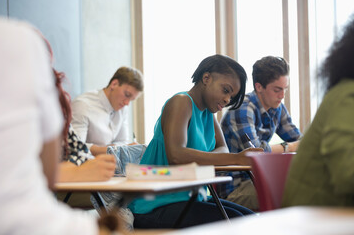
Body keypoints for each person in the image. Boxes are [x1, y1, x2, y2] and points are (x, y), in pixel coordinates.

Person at [0, 17, 122, 235]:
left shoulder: (114, 113)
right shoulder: (20, 43)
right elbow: (48, 172)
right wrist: (76, 171)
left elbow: (74, 147)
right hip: (42, 206)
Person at [128, 54, 262, 229]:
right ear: (206, 78)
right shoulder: (181, 102)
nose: (227, 100)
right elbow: (176, 154)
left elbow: (223, 148)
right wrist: (236, 158)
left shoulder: (209, 115)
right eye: (226, 90)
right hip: (154, 205)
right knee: (236, 224)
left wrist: (203, 158)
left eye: (231, 96)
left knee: (252, 220)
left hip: (188, 199)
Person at [282, 15, 354, 207]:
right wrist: (287, 147)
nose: (281, 95)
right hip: (316, 218)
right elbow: (348, 174)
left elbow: (296, 138)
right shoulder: (347, 95)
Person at [217, 56, 302, 210]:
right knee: (294, 194)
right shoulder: (242, 108)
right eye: (277, 90)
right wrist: (288, 147)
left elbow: (301, 142)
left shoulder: (278, 108)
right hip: (235, 188)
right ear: (259, 87)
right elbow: (256, 152)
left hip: (259, 180)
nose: (282, 95)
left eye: (285, 89)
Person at [71, 66, 144, 155]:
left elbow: (123, 141)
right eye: (127, 95)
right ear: (114, 84)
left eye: (131, 99)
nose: (127, 103)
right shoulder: (83, 105)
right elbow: (76, 147)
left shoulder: (122, 107)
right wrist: (112, 150)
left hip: (110, 165)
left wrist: (119, 149)